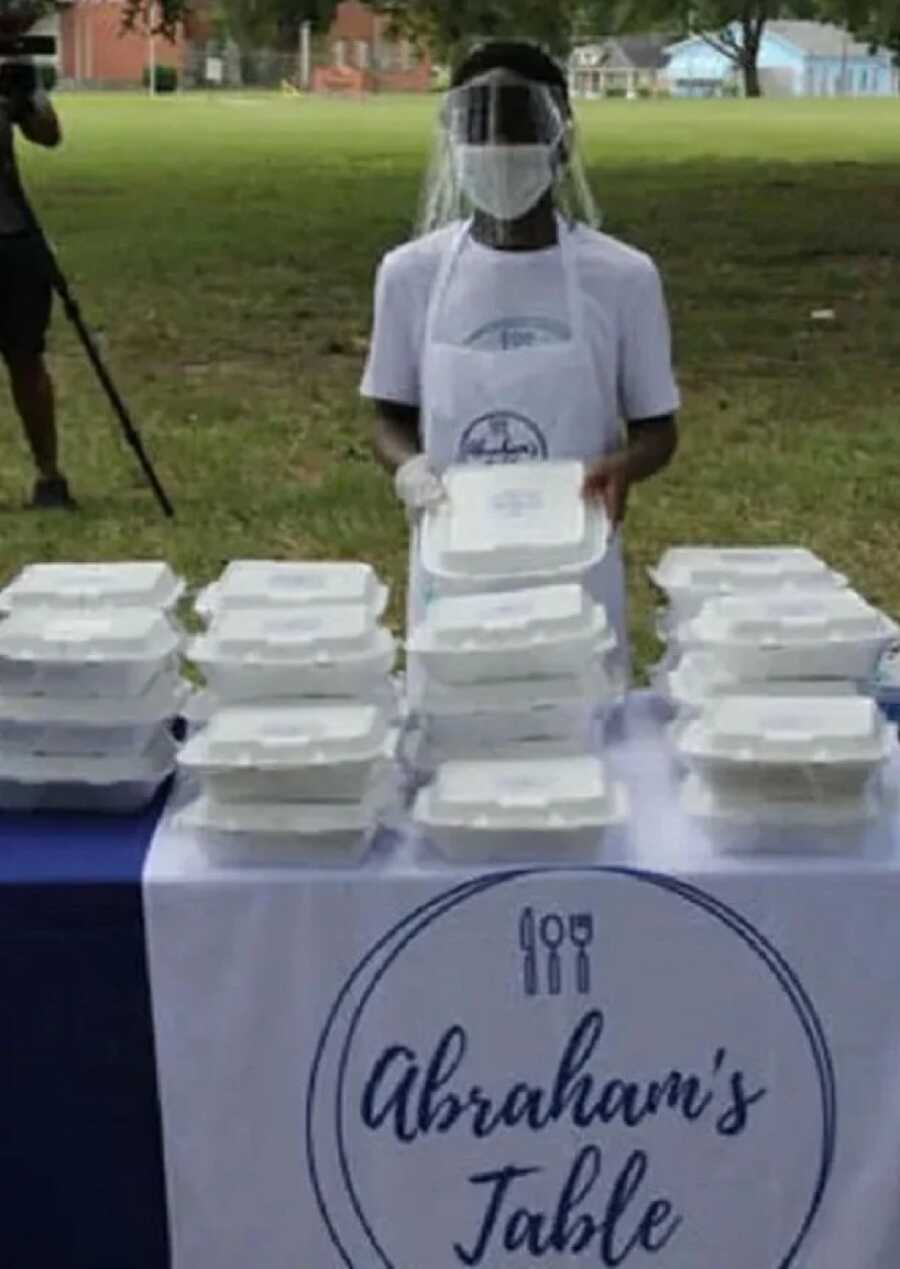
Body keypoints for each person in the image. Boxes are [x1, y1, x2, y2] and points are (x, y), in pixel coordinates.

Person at [362, 39, 679, 671]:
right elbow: (387, 411)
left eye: (520, 130)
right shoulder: (410, 273)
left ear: (561, 142)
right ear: (454, 144)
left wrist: (623, 468)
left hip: (573, 555)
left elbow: (657, 428)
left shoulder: (622, 276)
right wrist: (409, 469)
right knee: (461, 700)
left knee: (576, 714)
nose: (499, 153)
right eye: (481, 131)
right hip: (456, 551)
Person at [0, 56, 73, 509]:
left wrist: (23, 96)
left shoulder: (11, 71)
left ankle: (49, 475)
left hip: (11, 234)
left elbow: (49, 135)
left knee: (27, 357)